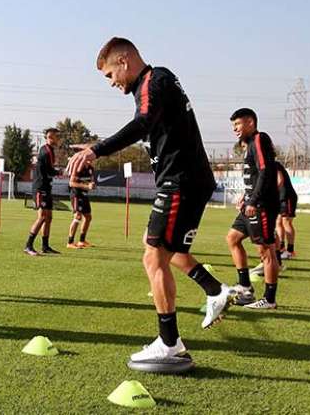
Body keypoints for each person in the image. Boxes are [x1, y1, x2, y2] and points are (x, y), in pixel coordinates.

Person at [68, 37, 231, 365]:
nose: (112, 83)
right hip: (185, 181)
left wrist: (95, 150)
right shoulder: (158, 81)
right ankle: (215, 290)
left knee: (153, 259)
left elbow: (142, 122)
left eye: (110, 75)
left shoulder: (153, 82)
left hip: (180, 182)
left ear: (124, 61)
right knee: (162, 249)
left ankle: (169, 342)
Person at [225, 108, 280, 310]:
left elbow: (266, 171)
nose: (235, 129)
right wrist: (245, 196)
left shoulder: (259, 139)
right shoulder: (249, 144)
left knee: (266, 251)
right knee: (232, 238)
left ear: (250, 122)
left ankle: (269, 299)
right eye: (233, 126)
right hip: (250, 203)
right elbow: (256, 175)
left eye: (237, 124)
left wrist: (253, 201)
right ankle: (245, 288)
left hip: (261, 206)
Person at [24, 128, 61, 256]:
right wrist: (61, 172)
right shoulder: (47, 151)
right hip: (41, 188)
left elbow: (48, 170)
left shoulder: (48, 150)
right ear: (50, 137)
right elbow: (50, 171)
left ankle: (45, 246)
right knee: (42, 217)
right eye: (57, 136)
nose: (58, 139)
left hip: (47, 188)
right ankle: (28, 245)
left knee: (49, 217)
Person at [65, 159, 95, 249]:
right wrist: (86, 186)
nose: (92, 160)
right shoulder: (78, 168)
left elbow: (90, 181)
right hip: (76, 195)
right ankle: (70, 242)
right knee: (78, 216)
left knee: (88, 217)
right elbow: (71, 183)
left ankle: (82, 241)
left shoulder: (91, 168)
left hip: (84, 195)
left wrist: (92, 184)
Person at [275, 161, 297, 259]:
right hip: (279, 198)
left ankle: (290, 251)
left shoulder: (274, 164)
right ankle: (281, 248)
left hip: (287, 196)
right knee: (278, 222)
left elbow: (280, 181)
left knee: (286, 222)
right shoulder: (265, 166)